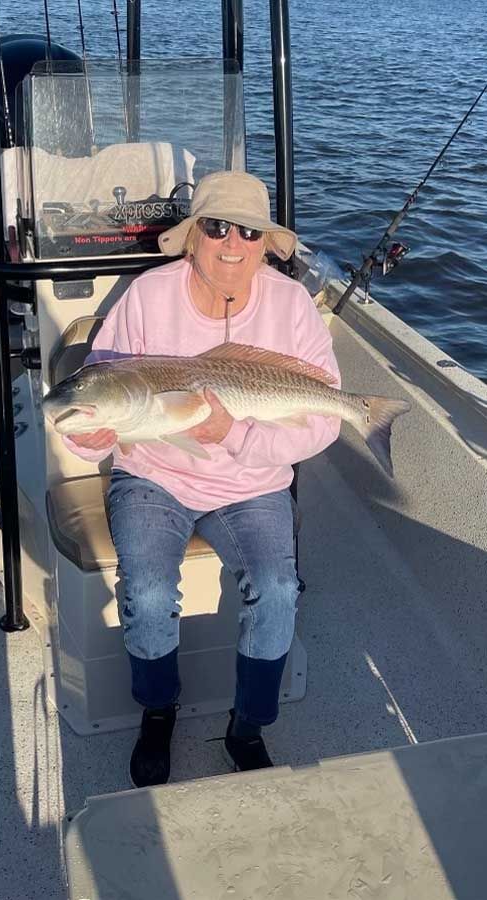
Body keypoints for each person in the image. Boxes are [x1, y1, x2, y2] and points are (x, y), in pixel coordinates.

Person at [63, 170, 341, 788]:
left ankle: (249, 727)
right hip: (153, 476)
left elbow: (323, 422)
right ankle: (158, 709)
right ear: (192, 237)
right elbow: (96, 387)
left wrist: (235, 435)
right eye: (216, 227)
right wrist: (89, 436)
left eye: (250, 231)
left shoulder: (293, 306)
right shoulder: (147, 296)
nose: (232, 243)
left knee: (277, 589)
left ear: (266, 244)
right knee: (148, 593)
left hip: (253, 482)